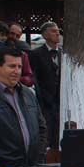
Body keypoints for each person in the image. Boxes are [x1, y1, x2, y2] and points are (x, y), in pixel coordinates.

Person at [28, 21, 61, 150]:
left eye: (58, 31)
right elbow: (34, 78)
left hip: (60, 102)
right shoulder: (35, 54)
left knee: (58, 136)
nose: (57, 33)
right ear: (45, 35)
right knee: (45, 134)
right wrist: (41, 98)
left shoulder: (63, 53)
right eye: (53, 31)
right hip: (44, 102)